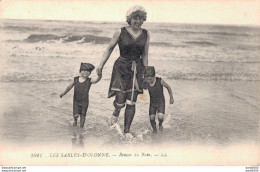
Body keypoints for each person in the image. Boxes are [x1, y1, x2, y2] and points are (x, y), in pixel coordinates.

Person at [96, 5, 150, 138]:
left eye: (140, 18)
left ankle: (126, 130)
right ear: (129, 19)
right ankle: (116, 111)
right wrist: (100, 66)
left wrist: (146, 72)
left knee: (131, 101)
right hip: (121, 67)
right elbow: (109, 49)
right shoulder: (120, 32)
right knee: (120, 100)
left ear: (143, 20)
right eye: (135, 18)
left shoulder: (146, 34)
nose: (138, 21)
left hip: (136, 69)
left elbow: (145, 54)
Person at [60, 63, 101, 128]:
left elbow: (96, 80)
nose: (86, 72)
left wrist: (99, 76)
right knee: (75, 115)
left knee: (83, 115)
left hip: (85, 101)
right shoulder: (75, 79)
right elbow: (69, 87)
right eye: (84, 70)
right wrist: (64, 93)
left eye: (88, 71)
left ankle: (81, 127)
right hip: (76, 100)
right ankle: (75, 121)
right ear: (80, 71)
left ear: (90, 73)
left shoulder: (89, 80)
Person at [144, 66, 174, 133]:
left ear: (153, 76)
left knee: (160, 117)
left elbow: (168, 87)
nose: (148, 81)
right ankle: (155, 130)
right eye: (147, 79)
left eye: (150, 79)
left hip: (161, 103)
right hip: (152, 104)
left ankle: (160, 124)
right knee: (151, 119)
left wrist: (171, 97)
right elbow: (142, 88)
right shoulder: (146, 82)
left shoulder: (159, 81)